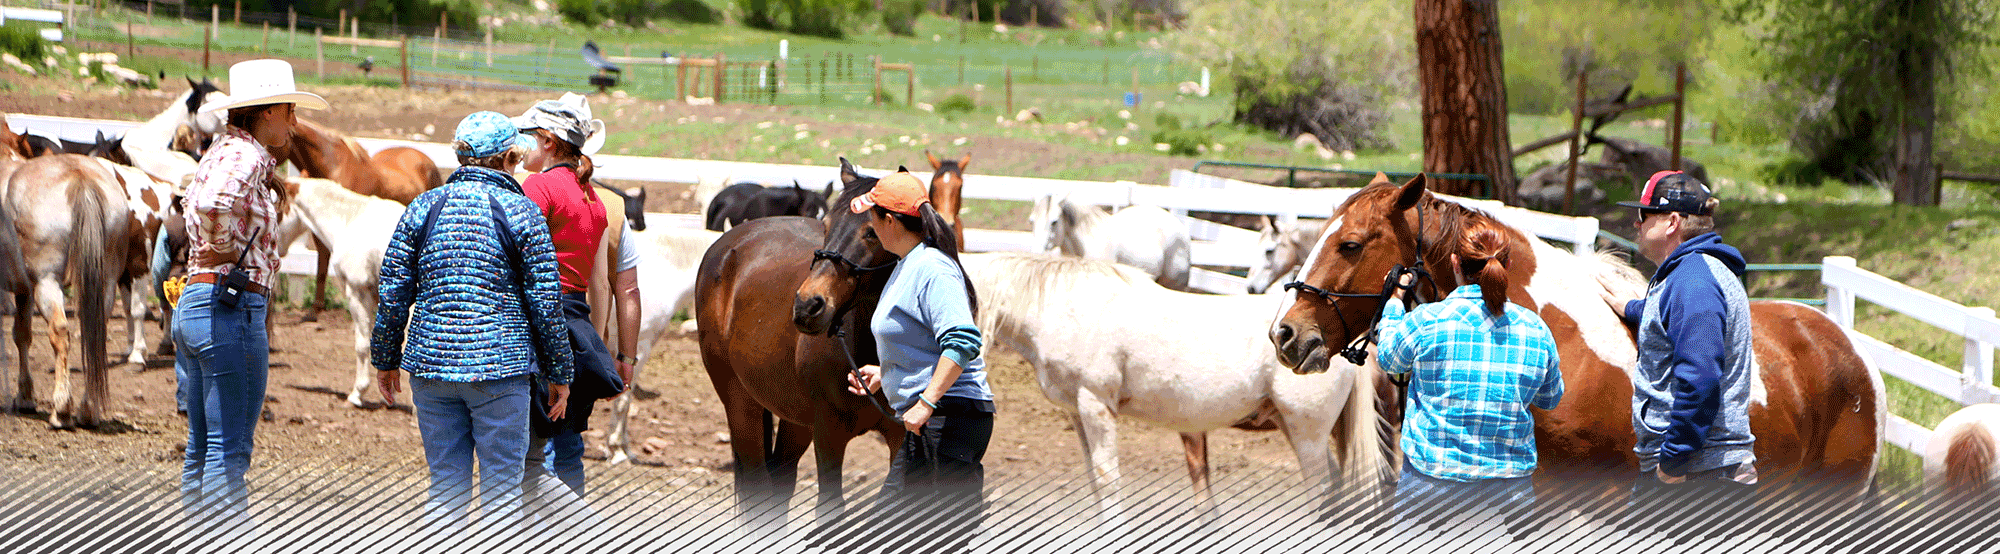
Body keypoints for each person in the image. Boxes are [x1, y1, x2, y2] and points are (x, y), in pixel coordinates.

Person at [372, 111, 574, 530]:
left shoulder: (423, 207)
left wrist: (385, 358)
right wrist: (560, 372)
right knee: (502, 491)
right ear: (506, 159)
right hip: (500, 369)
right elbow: (545, 302)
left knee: (445, 487)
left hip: (430, 367)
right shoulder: (521, 212)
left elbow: (393, 290)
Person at [178, 58, 325, 530]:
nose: (295, 123)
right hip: (231, 307)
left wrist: (215, 252)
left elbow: (195, 202)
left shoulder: (220, 151)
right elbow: (212, 203)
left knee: (203, 444)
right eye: (289, 111)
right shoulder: (245, 158)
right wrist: (225, 250)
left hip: (200, 302)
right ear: (267, 113)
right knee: (230, 448)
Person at [844, 169, 995, 554]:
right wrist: (887, 373)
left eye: (872, 219)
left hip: (950, 418)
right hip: (934, 419)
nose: (870, 227)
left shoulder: (933, 269)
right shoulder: (906, 264)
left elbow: (962, 341)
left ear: (890, 221)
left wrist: (925, 401)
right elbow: (922, 339)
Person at [1375, 219, 1563, 526]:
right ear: (1508, 264)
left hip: (1431, 483)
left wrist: (1395, 303)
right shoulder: (1536, 330)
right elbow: (1550, 398)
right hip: (1509, 491)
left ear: (1455, 264)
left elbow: (1391, 361)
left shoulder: (1427, 320)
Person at [1601, 170, 1758, 536]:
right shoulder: (1689, 275)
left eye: (1644, 214)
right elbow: (1678, 327)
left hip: (1695, 475)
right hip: (1701, 471)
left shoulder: (1693, 281)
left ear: (1671, 222)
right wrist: (1635, 309)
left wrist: (1672, 464)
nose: (1636, 223)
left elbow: (1700, 379)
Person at [509, 92, 622, 504]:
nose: (521, 147)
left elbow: (518, 256)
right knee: (567, 445)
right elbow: (602, 285)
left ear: (547, 141)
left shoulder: (538, 187)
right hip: (575, 323)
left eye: (527, 137)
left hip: (536, 321)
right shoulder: (594, 201)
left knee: (525, 455)